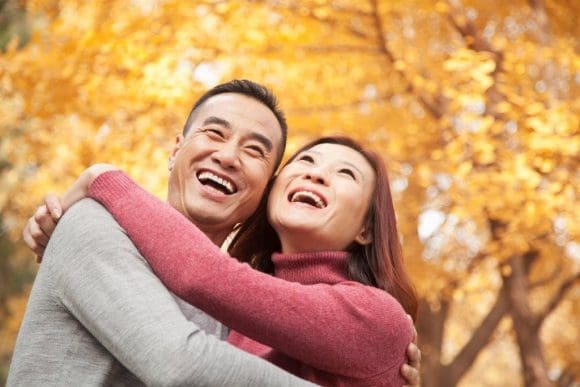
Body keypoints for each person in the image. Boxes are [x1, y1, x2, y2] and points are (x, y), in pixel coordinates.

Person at [14, 80, 420, 385]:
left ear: (265, 187)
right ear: (176, 150)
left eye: (255, 150)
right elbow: (178, 361)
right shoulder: (94, 224)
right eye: (214, 133)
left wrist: (102, 177)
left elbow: (205, 281)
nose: (227, 156)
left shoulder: (232, 311)